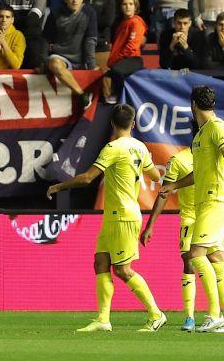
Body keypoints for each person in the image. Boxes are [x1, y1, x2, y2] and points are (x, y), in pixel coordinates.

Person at [47, 103, 167, 333]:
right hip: (115, 215)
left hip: (123, 215)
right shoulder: (140, 147)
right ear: (133, 124)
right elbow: (154, 174)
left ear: (112, 123)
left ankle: (156, 313)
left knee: (123, 270)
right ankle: (103, 319)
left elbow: (87, 178)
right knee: (101, 262)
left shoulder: (113, 148)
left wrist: (59, 186)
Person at [159, 85, 224, 333]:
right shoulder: (200, 135)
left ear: (193, 105)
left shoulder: (217, 127)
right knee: (216, 258)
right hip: (204, 201)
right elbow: (199, 173)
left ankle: (213, 314)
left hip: (217, 198)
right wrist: (174, 185)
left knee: (196, 253)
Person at [140, 143, 197, 332]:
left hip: (213, 215)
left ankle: (220, 315)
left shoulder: (217, 155)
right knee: (189, 261)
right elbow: (165, 192)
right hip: (190, 218)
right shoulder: (179, 160)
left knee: (215, 261)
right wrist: (150, 225)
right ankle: (189, 317)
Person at [44, 0, 97, 108]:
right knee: (54, 64)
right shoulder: (55, 14)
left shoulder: (89, 12)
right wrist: (42, 61)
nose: (75, 0)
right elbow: (45, 39)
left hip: (81, 59)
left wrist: (91, 65)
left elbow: (90, 40)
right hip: (61, 57)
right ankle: (82, 96)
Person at [101, 0, 146, 104]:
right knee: (105, 76)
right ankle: (110, 100)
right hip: (122, 59)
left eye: (131, 4)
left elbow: (131, 47)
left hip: (133, 59)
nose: (128, 7)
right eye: (124, 4)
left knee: (117, 71)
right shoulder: (122, 24)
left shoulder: (136, 22)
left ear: (135, 7)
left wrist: (115, 60)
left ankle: (122, 99)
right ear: (120, 7)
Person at [3, 0, 47, 69]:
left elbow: (31, 21)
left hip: (31, 42)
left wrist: (11, 19)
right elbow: (1, 19)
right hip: (11, 41)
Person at [81, 0, 115, 69]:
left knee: (105, 79)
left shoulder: (109, 1)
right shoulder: (78, 0)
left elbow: (107, 21)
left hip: (101, 47)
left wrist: (85, 20)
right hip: (79, 48)